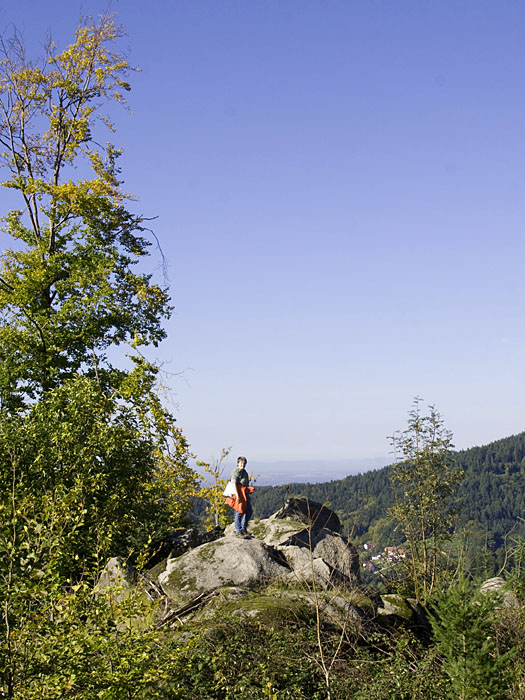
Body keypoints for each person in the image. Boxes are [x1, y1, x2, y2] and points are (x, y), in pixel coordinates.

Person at [230, 456, 253, 537]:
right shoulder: (236, 472)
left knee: (249, 511)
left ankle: (243, 528)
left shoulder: (245, 472)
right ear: (238, 463)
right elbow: (233, 484)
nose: (242, 465)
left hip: (244, 493)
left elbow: (245, 483)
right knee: (239, 511)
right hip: (238, 493)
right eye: (241, 463)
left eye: (244, 463)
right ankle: (239, 531)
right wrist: (237, 495)